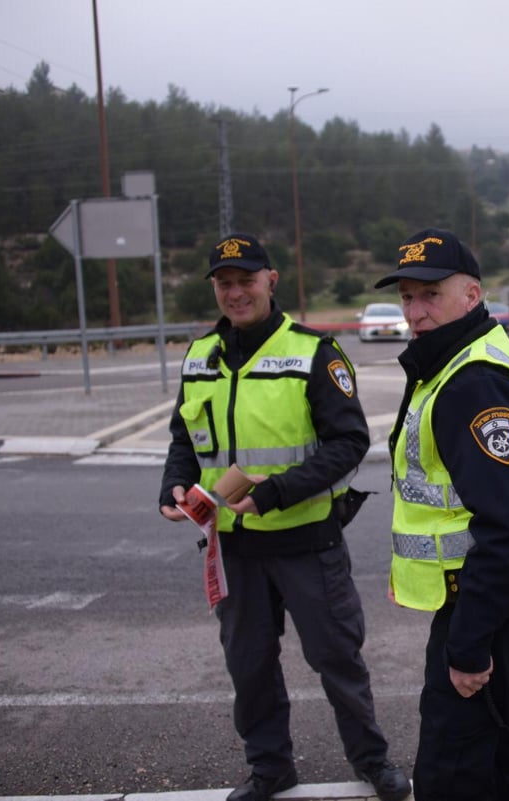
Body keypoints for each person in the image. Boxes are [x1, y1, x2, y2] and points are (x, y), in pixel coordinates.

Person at [158, 233, 410, 801]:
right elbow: (184, 438)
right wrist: (171, 487)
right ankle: (271, 769)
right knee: (249, 667)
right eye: (224, 283)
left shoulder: (314, 351)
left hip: (304, 540)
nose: (235, 292)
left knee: (336, 659)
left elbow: (348, 443)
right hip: (232, 548)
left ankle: (373, 761)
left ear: (271, 280)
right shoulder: (201, 355)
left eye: (246, 280)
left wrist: (275, 494)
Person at [375, 228, 509, 801]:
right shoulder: (456, 359)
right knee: (500, 766)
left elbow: (506, 528)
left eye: (431, 295)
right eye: (408, 297)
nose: (416, 311)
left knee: (454, 776)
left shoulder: (471, 380)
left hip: (501, 604)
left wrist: (469, 646)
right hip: (502, 597)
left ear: (472, 294)